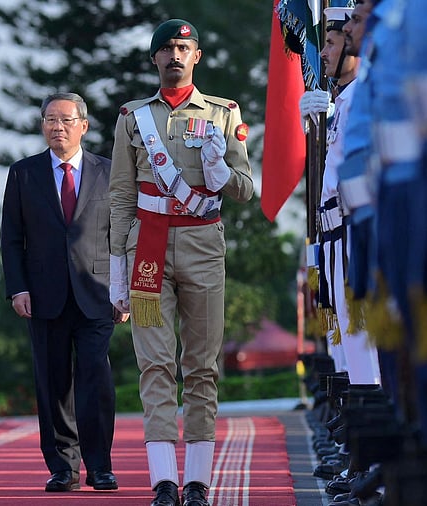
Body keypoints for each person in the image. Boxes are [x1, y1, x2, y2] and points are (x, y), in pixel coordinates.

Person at [109, 19, 253, 506]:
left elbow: (246, 189)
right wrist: (115, 271)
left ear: (197, 57)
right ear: (154, 59)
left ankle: (196, 480)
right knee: (154, 365)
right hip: (145, 247)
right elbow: (121, 196)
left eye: (183, 47)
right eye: (166, 48)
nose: (175, 54)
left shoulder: (222, 113)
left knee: (202, 366)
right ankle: (164, 481)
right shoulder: (132, 117)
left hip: (202, 245)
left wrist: (219, 170)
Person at [1, 92, 124, 493]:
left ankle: (100, 465)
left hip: (98, 293)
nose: (58, 127)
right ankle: (63, 466)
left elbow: (121, 236)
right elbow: (11, 238)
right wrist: (17, 288)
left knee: (95, 380)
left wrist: (123, 289)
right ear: (42, 126)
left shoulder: (109, 172)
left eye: (66, 120)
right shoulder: (23, 174)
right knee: (53, 384)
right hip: (43, 294)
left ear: (83, 126)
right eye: (50, 120)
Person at [299, 7, 382, 388]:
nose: (325, 54)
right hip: (334, 234)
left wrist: (331, 113)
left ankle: (372, 423)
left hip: (353, 226)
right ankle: (356, 426)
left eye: (331, 44)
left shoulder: (359, 95)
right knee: (347, 334)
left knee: (364, 333)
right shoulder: (344, 99)